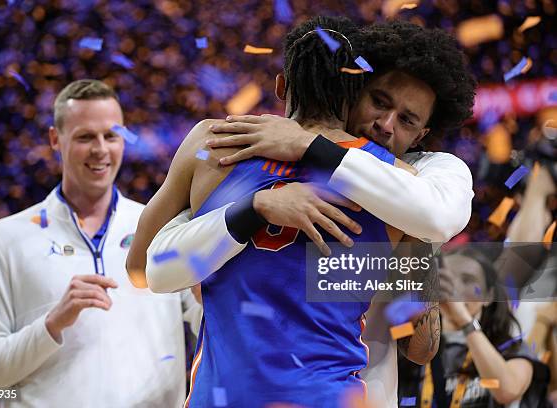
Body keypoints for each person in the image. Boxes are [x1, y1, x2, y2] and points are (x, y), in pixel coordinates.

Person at [131, 20, 476, 406]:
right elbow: (420, 344)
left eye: (407, 119)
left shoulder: (215, 141)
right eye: (379, 102)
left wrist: (218, 236)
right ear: (354, 89)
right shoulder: (406, 182)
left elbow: (143, 267)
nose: (386, 124)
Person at [0, 79, 201, 407]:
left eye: (111, 136)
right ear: (54, 139)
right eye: (85, 137)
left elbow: (206, 318)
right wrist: (52, 323)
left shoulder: (162, 227)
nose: (101, 150)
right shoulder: (7, 238)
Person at [398, 248, 550, 408]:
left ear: (488, 296)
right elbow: (386, 342)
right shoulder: (411, 337)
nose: (454, 289)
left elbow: (506, 390)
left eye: (467, 280)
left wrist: (464, 320)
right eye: (448, 279)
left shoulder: (511, 347)